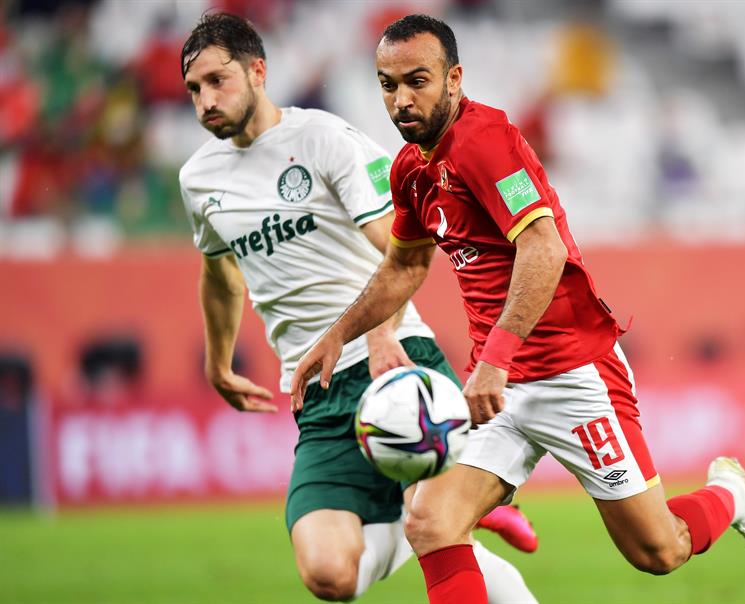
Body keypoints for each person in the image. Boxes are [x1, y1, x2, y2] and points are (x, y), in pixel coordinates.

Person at [292, 14, 745, 604]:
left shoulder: (485, 141)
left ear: (454, 79)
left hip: (571, 374)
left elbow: (543, 246)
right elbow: (404, 267)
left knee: (658, 551)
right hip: (498, 388)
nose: (400, 100)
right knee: (431, 523)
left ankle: (729, 495)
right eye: (387, 84)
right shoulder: (411, 171)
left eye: (416, 81)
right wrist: (339, 334)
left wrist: (496, 358)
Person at [178, 12, 537, 603]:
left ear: (258, 71)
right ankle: (425, 512)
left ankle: (436, 515)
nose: (206, 100)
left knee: (438, 530)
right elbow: (220, 275)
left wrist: (378, 330)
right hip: (315, 391)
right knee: (328, 576)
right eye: (194, 89)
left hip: (394, 362)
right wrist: (219, 364)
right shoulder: (199, 179)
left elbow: (402, 249)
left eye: (218, 81)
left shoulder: (321, 139)